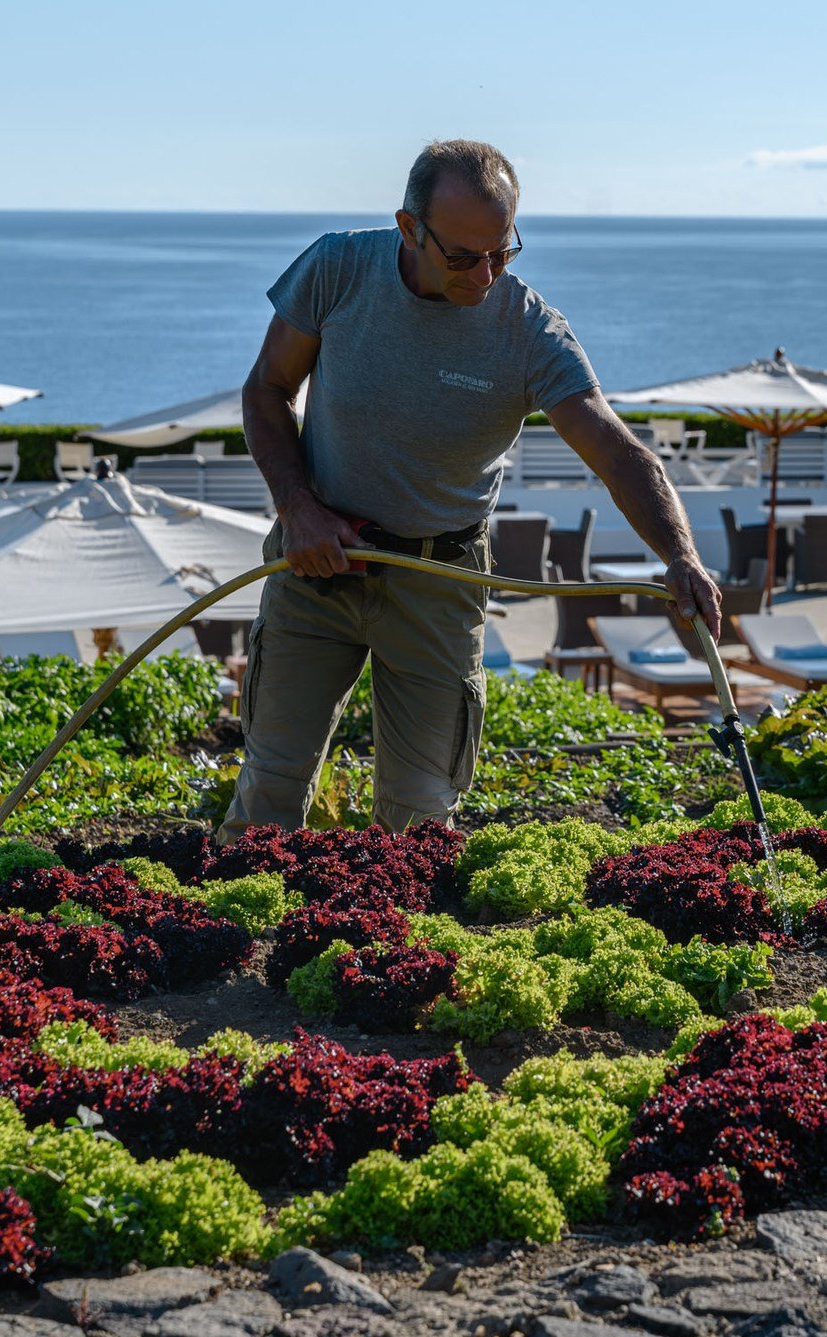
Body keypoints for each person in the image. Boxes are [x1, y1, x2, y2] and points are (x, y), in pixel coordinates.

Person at [217, 139, 720, 839]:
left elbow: (616, 451)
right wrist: (297, 509)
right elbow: (267, 389)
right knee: (268, 791)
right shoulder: (336, 268)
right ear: (408, 228)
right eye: (461, 257)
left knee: (422, 818)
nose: (484, 275)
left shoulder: (530, 331)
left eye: (501, 253)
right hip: (314, 567)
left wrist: (681, 554)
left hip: (440, 580)